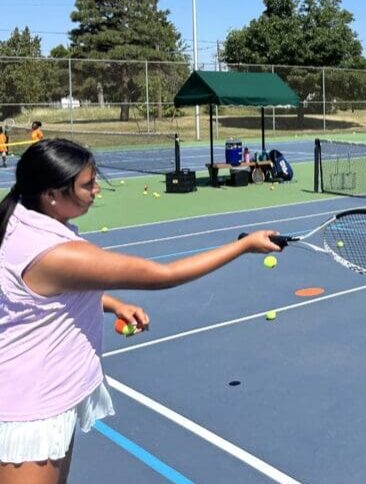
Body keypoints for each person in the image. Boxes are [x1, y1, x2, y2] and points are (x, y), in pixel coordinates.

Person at [0, 139, 280, 483]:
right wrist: (244, 244)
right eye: (87, 185)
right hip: (32, 411)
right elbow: (164, 275)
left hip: (38, 396)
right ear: (52, 194)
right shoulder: (56, 254)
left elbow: (32, 296)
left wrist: (113, 303)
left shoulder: (17, 220)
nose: (96, 190)